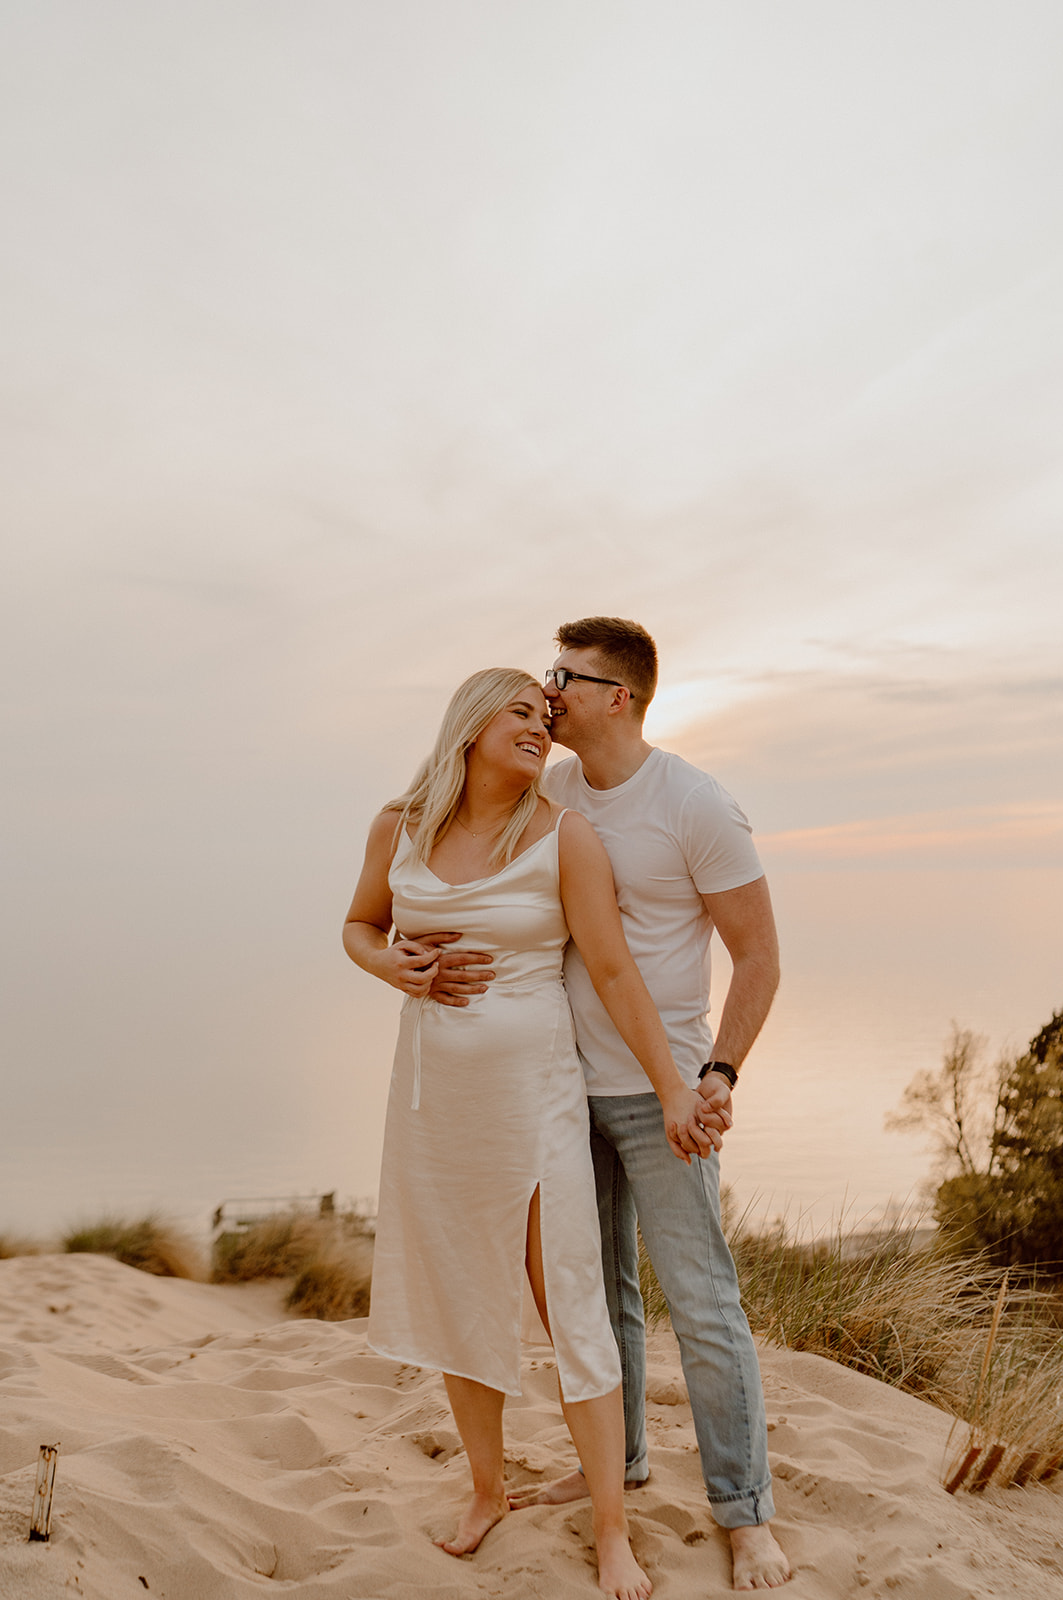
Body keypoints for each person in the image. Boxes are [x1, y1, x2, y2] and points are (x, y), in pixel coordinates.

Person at [342, 666, 722, 1600]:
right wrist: (397, 970)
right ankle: (485, 1490)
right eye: (520, 711)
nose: (538, 728)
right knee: (459, 1294)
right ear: (470, 725)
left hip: (537, 1100)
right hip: (435, 1105)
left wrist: (675, 1089)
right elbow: (358, 927)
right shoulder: (399, 827)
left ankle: (610, 1528)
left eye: (542, 719)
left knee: (572, 1308)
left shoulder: (565, 836)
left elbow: (614, 971)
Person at [426, 624, 792, 1592]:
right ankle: (619, 1466)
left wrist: (714, 1076)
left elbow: (758, 957)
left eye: (564, 678)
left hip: (659, 1090)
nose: (548, 693)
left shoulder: (694, 804)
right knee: (596, 1302)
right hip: (557, 1088)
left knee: (701, 1301)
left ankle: (745, 1512)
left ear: (615, 696)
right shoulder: (552, 793)